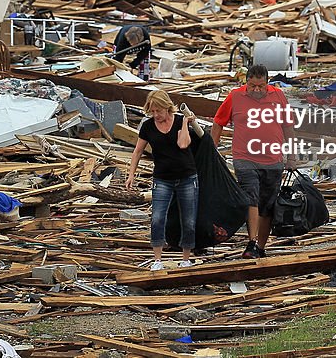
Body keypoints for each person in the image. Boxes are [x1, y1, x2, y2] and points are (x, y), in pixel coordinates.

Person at [211, 64, 296, 259]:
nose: (257, 90)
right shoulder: (235, 96)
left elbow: (288, 127)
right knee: (251, 197)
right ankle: (251, 242)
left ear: (268, 84)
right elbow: (218, 123)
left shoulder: (278, 97)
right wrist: (212, 151)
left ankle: (261, 247)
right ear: (246, 83)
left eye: (261, 86)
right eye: (252, 86)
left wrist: (292, 156)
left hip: (273, 159)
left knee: (267, 205)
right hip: (244, 157)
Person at [125, 90, 200, 271]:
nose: (156, 115)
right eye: (152, 111)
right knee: (157, 218)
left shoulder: (181, 121)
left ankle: (185, 258)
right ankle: (157, 259)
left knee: (188, 220)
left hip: (186, 177)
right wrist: (131, 173)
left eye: (159, 110)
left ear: (167, 108)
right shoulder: (148, 126)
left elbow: (183, 144)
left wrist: (184, 122)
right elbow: (137, 151)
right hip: (162, 178)